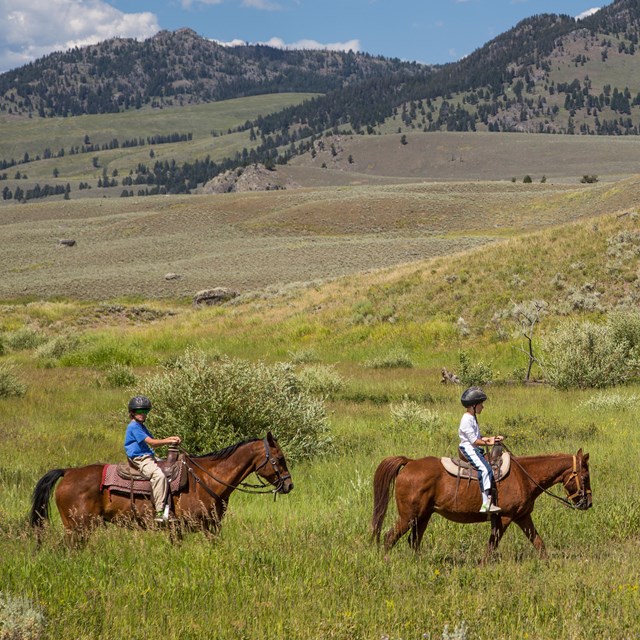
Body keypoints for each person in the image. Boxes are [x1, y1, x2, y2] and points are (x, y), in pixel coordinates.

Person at [124, 395, 181, 522]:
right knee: (158, 476)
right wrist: (169, 440)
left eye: (145, 411)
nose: (143, 414)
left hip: (148, 456)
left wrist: (170, 440)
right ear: (132, 412)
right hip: (140, 458)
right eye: (139, 411)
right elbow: (152, 442)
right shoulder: (133, 426)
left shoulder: (141, 426)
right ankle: (160, 511)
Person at [458, 386, 503, 514]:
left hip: (474, 447)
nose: (482, 407)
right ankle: (485, 504)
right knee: (485, 469)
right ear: (473, 405)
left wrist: (492, 438)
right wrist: (490, 442)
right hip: (469, 449)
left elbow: (479, 437)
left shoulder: (472, 418)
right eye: (481, 404)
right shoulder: (466, 419)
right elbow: (474, 441)